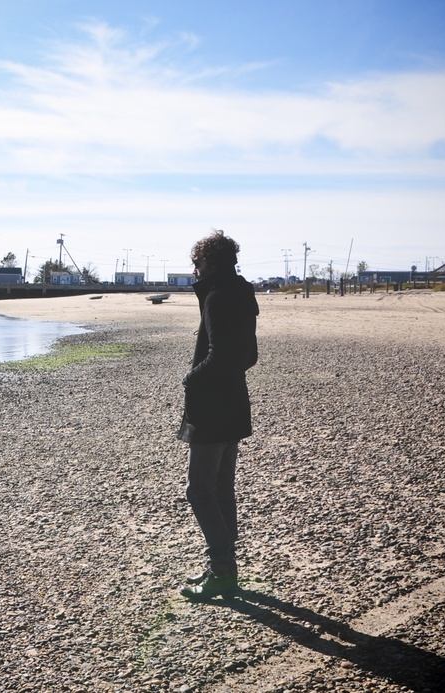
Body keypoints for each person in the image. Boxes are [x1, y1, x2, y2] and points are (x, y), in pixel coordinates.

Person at [178, 230, 258, 600]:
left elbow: (220, 354)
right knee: (221, 488)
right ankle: (224, 568)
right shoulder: (241, 293)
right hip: (234, 402)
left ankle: (222, 569)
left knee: (199, 490)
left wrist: (191, 379)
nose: (195, 270)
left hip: (212, 407)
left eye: (197, 263)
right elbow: (248, 356)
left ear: (210, 263)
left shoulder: (217, 296)